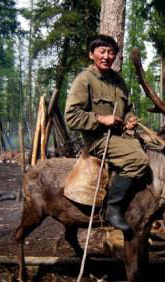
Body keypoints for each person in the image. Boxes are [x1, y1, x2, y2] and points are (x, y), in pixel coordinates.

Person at [65, 35, 149, 233]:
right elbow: (71, 117)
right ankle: (113, 209)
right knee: (138, 160)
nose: (107, 56)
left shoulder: (118, 81)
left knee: (153, 150)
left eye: (111, 52)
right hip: (98, 139)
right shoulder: (84, 79)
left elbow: (126, 108)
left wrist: (129, 118)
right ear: (91, 54)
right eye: (102, 51)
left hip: (120, 136)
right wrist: (101, 119)